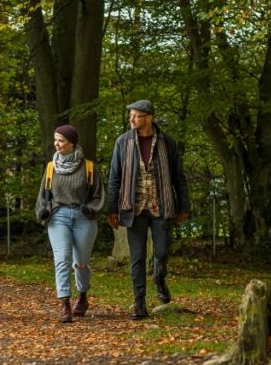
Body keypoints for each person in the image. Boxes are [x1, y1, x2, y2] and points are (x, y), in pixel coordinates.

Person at [107, 99, 190, 320]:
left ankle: (159, 278)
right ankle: (140, 303)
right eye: (130, 116)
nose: (131, 119)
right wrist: (112, 209)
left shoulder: (167, 143)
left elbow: (178, 177)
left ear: (149, 117)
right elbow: (114, 177)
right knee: (137, 257)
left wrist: (184, 205)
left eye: (136, 116)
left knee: (161, 253)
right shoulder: (122, 143)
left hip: (161, 206)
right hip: (133, 208)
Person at [35, 125, 106, 324]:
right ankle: (65, 302)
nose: (56, 144)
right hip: (59, 216)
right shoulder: (51, 167)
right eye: (55, 140)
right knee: (62, 258)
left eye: (61, 141)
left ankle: (82, 296)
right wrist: (42, 211)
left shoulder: (89, 167)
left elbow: (99, 195)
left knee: (80, 262)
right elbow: (43, 196)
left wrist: (91, 208)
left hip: (84, 217)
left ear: (72, 143)